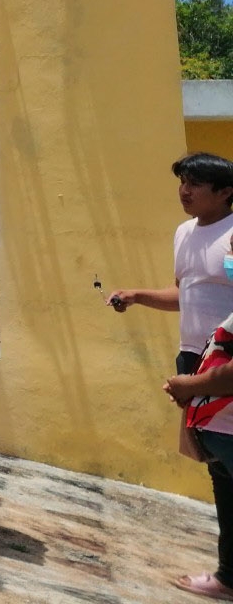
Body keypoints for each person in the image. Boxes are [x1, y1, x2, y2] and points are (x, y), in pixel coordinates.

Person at [112, 152, 233, 595]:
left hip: (225, 365)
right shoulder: (184, 233)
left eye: (196, 183)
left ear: (225, 193)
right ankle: (228, 575)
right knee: (218, 464)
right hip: (193, 360)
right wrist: (138, 295)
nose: (185, 190)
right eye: (182, 181)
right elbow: (186, 294)